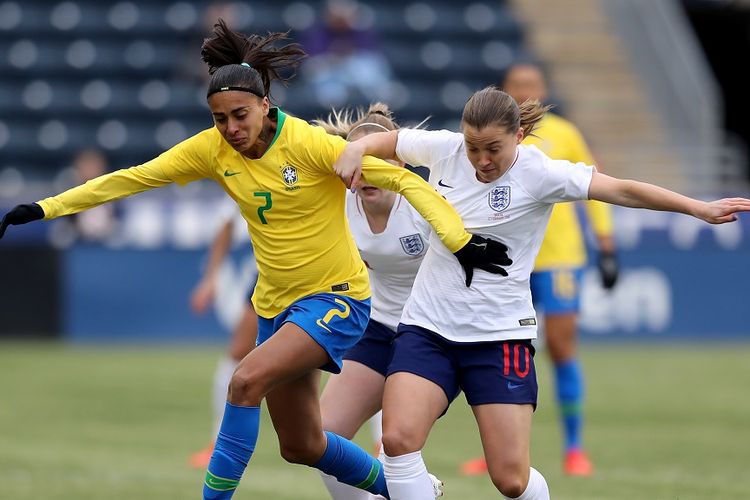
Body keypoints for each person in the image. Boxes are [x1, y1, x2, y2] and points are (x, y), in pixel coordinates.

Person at [0, 21, 512, 500]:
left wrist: (461, 241)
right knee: (303, 445)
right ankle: (411, 492)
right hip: (276, 306)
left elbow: (401, 178)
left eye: (239, 115)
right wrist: (45, 208)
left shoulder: (308, 144)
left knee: (243, 381)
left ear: (266, 106)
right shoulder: (211, 150)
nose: (229, 128)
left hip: (337, 300)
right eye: (219, 118)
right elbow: (132, 177)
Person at [332, 86, 750, 499]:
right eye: (473, 146)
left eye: (492, 148)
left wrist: (696, 207)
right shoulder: (444, 149)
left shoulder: (541, 173)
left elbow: (621, 189)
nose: (481, 160)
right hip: (426, 328)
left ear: (518, 137)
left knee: (510, 480)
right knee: (399, 440)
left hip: (497, 337)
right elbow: (387, 137)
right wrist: (356, 150)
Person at [460, 61, 618, 477]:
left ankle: (574, 448)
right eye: (518, 86)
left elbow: (595, 186)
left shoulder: (565, 134)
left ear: (544, 89)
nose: (527, 92)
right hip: (504, 260)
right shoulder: (488, 140)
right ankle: (497, 450)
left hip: (559, 258)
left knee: (563, 349)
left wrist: (605, 242)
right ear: (506, 91)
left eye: (533, 86)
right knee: (491, 349)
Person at [313, 103, 440, 499]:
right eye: (357, 161)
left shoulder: (425, 205)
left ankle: (413, 485)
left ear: (400, 165)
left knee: (395, 448)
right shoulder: (337, 202)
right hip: (377, 327)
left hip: (430, 333)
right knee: (322, 439)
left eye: (378, 161)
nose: (365, 172)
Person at [188, 199, 259, 469]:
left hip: (328, 268)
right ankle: (218, 444)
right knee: (238, 352)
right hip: (273, 271)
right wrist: (210, 279)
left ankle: (381, 445)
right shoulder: (250, 164)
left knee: (362, 357)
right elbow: (228, 223)